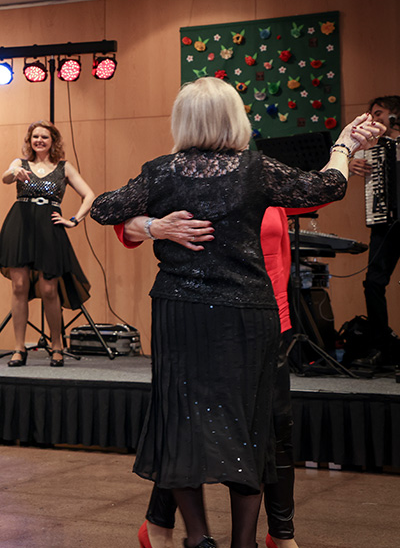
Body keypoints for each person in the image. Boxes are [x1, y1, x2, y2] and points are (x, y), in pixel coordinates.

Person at [89, 77, 382, 548]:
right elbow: (326, 185)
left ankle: (198, 538)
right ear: (234, 118)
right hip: (247, 315)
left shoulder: (162, 171)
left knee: (180, 419)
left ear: (183, 120)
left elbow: (103, 208)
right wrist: (344, 145)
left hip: (179, 313)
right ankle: (244, 541)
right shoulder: (255, 170)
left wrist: (150, 222)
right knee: (250, 423)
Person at [116, 206, 321, 548]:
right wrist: (156, 227)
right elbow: (119, 220)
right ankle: (163, 526)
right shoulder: (184, 173)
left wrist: (345, 151)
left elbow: (323, 189)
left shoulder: (265, 174)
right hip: (208, 320)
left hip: (267, 320)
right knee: (188, 425)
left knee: (275, 427)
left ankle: (281, 535)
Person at [0, 120, 94, 366]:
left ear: (53, 141)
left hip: (50, 229)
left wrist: (74, 220)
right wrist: (13, 173)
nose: (39, 140)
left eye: (44, 137)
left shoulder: (64, 167)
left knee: (50, 289)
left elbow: (89, 195)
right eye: (35, 137)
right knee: (19, 286)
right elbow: (6, 177)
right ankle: (19, 348)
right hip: (20, 226)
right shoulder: (20, 163)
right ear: (30, 140)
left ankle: (57, 345)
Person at [349, 95, 400, 366]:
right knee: (373, 283)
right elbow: (345, 161)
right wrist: (351, 165)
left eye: (378, 113)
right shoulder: (371, 146)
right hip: (386, 223)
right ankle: (381, 347)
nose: (373, 118)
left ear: (395, 114)